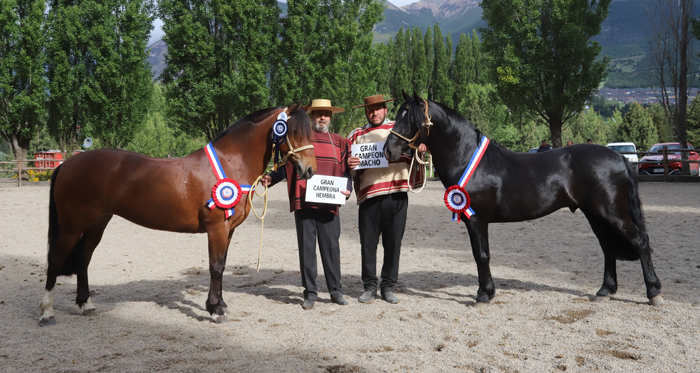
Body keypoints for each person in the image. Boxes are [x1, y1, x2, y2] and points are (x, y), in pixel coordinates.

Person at [261, 99, 352, 310]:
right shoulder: (300, 138)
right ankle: (310, 293)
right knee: (307, 250)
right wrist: (270, 179)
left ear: (331, 117)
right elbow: (285, 166)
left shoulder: (340, 142)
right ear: (311, 116)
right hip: (303, 200)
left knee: (331, 249)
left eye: (326, 114)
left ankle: (335, 291)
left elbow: (348, 172)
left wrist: (348, 189)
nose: (322, 117)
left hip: (330, 202)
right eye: (318, 113)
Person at [346, 94, 426, 304]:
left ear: (385, 110)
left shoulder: (401, 128)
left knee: (393, 244)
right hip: (369, 197)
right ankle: (369, 286)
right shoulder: (356, 135)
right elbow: (347, 170)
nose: (374, 113)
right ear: (366, 111)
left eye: (378, 108)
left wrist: (421, 150)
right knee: (368, 245)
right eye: (371, 109)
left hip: (397, 194)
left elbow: (415, 157)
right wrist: (350, 165)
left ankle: (388, 286)